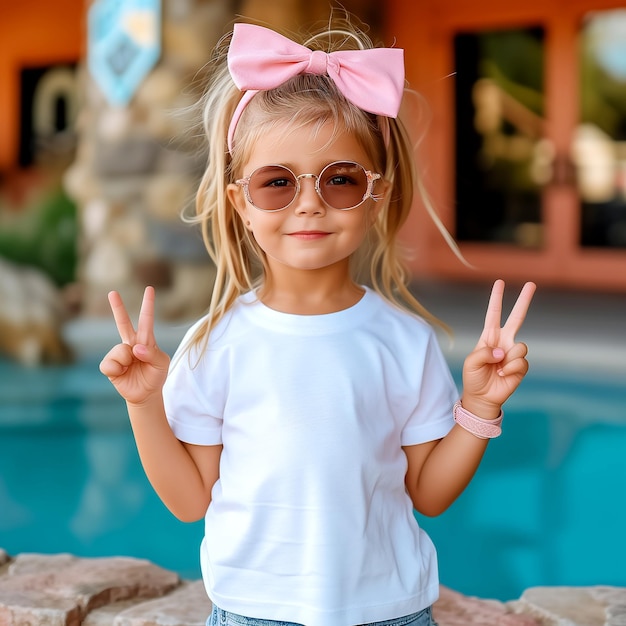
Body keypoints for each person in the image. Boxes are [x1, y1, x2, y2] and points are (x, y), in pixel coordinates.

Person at [100, 18, 536, 626]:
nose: (309, 202)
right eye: (276, 183)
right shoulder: (214, 344)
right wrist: (144, 405)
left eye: (341, 180)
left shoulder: (404, 340)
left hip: (391, 612)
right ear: (240, 203)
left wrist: (480, 406)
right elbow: (189, 500)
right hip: (254, 612)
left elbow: (430, 495)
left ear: (376, 193)